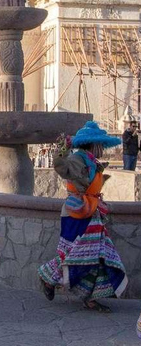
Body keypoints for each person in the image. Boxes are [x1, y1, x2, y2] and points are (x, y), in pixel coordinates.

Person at [38, 122, 127, 312]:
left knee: (96, 256)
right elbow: (61, 166)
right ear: (92, 144)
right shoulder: (78, 159)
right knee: (73, 253)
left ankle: (90, 297)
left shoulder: (92, 162)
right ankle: (48, 278)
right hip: (76, 213)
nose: (103, 149)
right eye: (100, 145)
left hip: (91, 212)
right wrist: (64, 147)